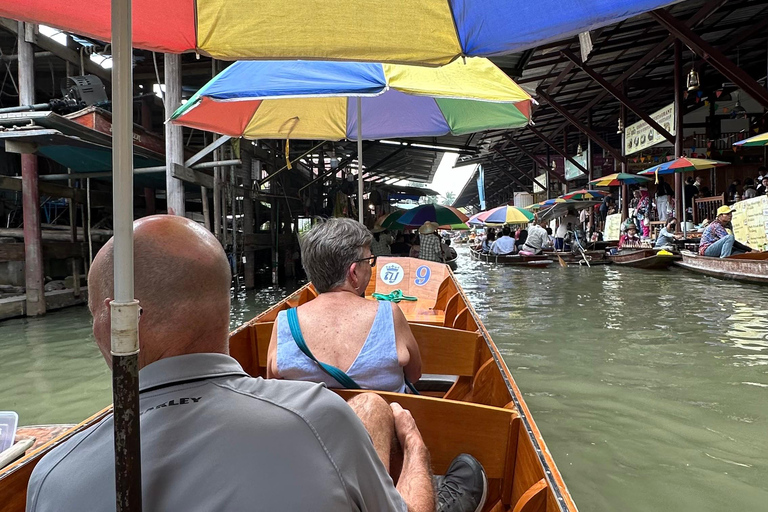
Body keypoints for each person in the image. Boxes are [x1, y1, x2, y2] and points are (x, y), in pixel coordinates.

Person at [26, 215, 488, 512]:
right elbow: (415, 375)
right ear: (224, 307)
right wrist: (416, 447)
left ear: (114, 321)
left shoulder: (50, 478)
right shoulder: (318, 419)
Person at [267, 218, 421, 393]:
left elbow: (273, 388)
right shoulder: (390, 314)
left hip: (308, 412)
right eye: (369, 260)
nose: (371, 267)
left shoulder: (285, 321)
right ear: (353, 272)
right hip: (381, 410)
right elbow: (414, 375)